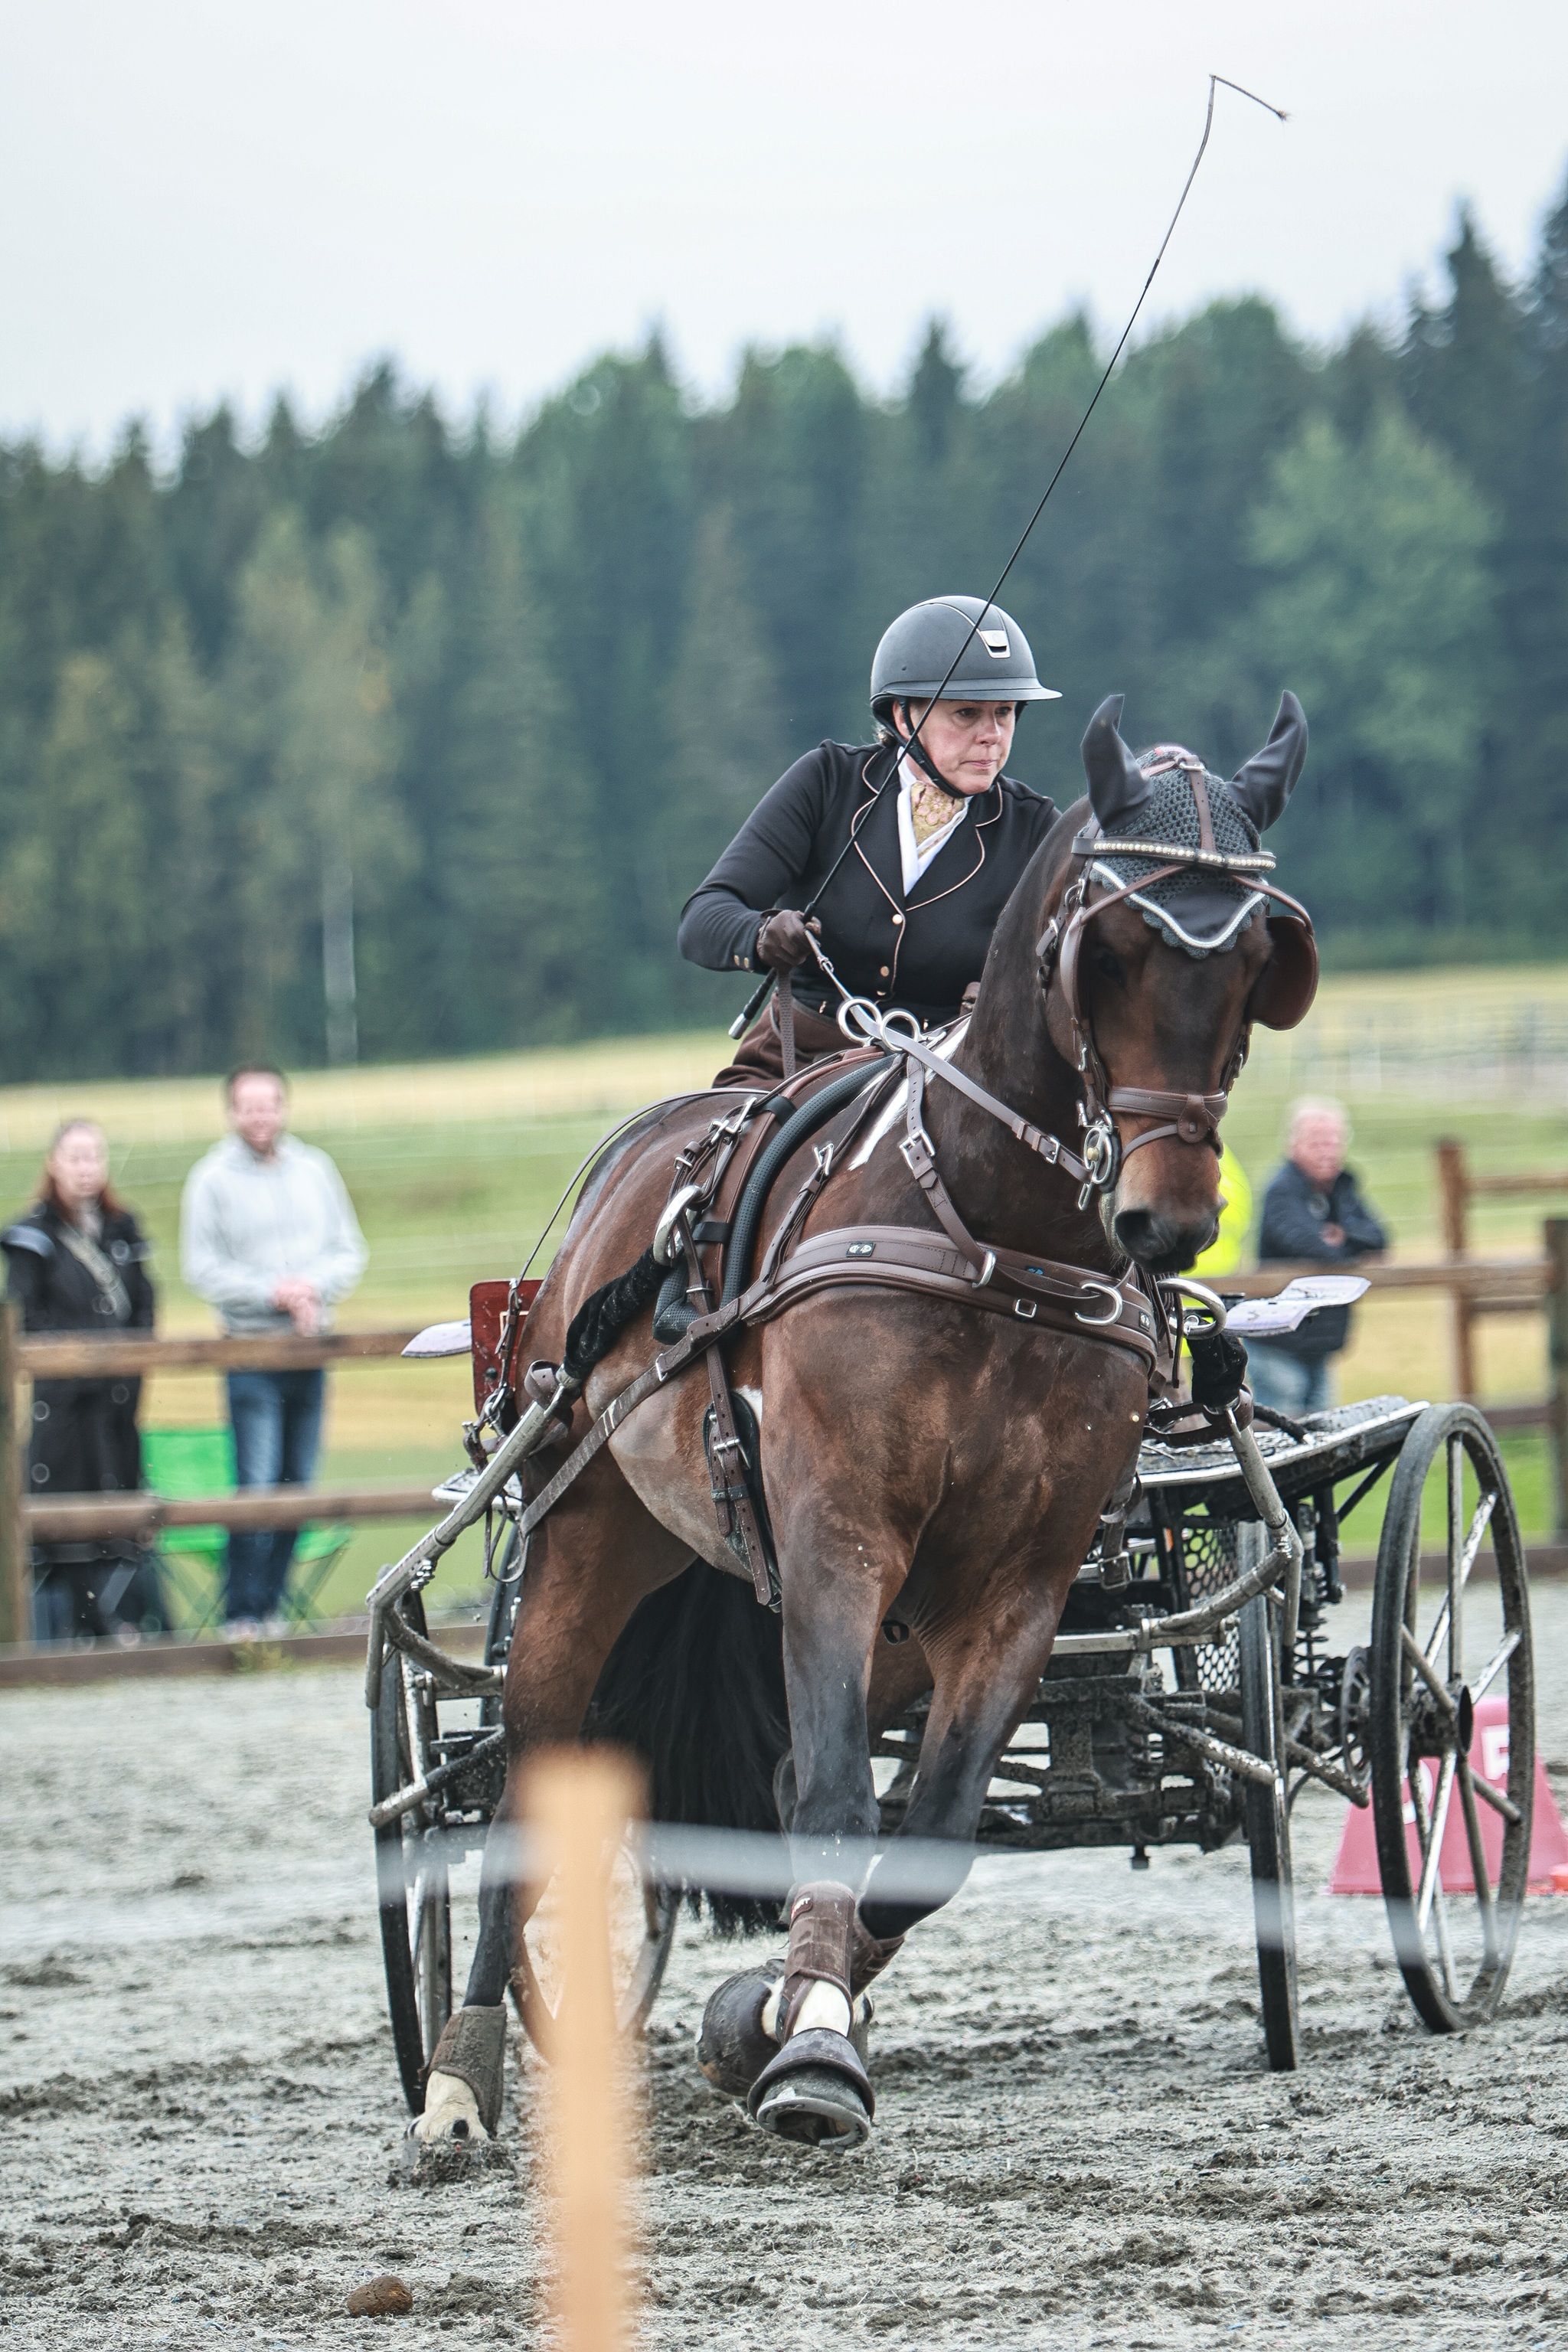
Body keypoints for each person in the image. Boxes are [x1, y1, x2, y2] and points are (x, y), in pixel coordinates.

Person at [679, 595, 1062, 1086]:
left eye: (1004, 713)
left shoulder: (1034, 828)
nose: (992, 735)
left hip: (951, 1083)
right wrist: (760, 936)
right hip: (797, 1065)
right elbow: (703, 918)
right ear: (904, 717)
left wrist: (1011, 993)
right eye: (967, 713)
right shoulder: (828, 781)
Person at [180, 1064, 366, 1631]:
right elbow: (201, 1266)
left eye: (269, 1104)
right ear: (233, 1111)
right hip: (251, 1352)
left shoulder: (315, 1170)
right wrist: (271, 1293)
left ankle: (275, 1607)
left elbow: (348, 1250)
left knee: (298, 1484)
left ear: (283, 1107)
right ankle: (243, 1610)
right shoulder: (211, 1179)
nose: (261, 1115)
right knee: (256, 1484)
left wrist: (312, 1287)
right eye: (249, 1105)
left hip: (310, 1350)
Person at [2, 1119, 163, 1643]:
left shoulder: (123, 1230)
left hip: (117, 1400)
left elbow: (144, 1303)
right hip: (64, 1403)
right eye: (74, 1157)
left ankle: (124, 1619)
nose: (85, 1167)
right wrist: (83, 1352)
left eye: (93, 1156)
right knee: (64, 1505)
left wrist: (126, 1360)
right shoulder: (34, 1237)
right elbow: (25, 1315)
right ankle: (79, 1625)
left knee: (121, 1501)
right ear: (54, 1163)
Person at [1247, 1099, 1387, 1419]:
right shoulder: (1282, 1190)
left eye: (1334, 1141)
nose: (1328, 1150)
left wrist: (1344, 1237)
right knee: (1281, 1428)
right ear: (1293, 1144)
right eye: (1317, 1142)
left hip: (1319, 1336)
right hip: (1278, 1339)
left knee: (1322, 1426)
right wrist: (1345, 1243)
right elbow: (1311, 1246)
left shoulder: (1342, 1188)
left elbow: (1379, 1237)